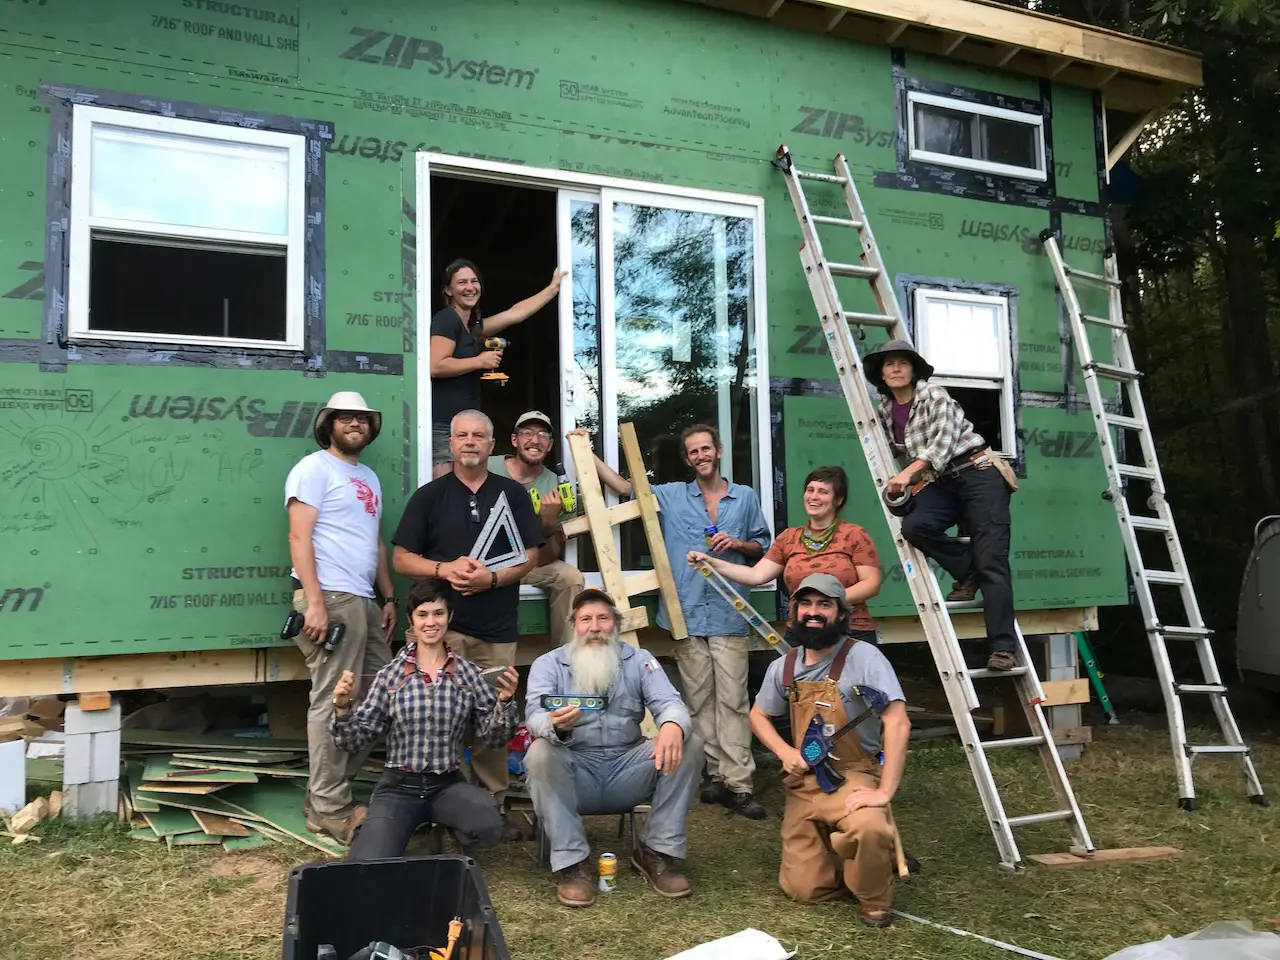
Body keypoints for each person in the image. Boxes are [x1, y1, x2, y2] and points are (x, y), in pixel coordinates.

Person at [577, 424, 771, 820]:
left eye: (706, 449)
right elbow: (624, 487)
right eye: (693, 452)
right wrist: (587, 450)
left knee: (733, 700)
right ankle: (713, 774)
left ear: (717, 452)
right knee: (697, 701)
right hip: (686, 612)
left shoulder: (745, 497)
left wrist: (736, 544)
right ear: (688, 459)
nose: (700, 456)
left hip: (729, 611)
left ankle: (739, 783)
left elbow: (762, 547)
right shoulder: (672, 494)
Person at [391, 409, 545, 830]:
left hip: (497, 629)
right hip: (443, 633)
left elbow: (531, 555)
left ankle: (491, 808)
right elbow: (401, 559)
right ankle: (441, 805)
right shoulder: (429, 496)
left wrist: (493, 578)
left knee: (494, 721)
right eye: (462, 435)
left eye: (479, 435)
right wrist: (445, 570)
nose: (470, 442)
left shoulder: (512, 494)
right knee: (438, 719)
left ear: (492, 445)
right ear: (452, 444)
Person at [749, 574, 911, 928]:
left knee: (868, 825)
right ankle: (853, 854)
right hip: (805, 780)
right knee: (804, 889)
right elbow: (758, 715)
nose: (813, 612)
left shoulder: (865, 657)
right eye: (806, 604)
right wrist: (784, 752)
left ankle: (873, 896)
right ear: (794, 612)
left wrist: (883, 792)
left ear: (841, 613)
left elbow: (898, 722)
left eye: (825, 604)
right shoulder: (785, 666)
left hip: (851, 773)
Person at [524, 588, 702, 908]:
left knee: (690, 742)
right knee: (539, 752)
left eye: (603, 618)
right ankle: (573, 864)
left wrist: (672, 726)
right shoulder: (548, 664)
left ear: (615, 624)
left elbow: (670, 703)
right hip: (575, 769)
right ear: (574, 625)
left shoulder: (640, 660)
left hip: (628, 767)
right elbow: (534, 716)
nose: (594, 627)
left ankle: (655, 852)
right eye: (586, 619)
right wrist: (555, 726)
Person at [332, 579, 520, 860]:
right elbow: (353, 740)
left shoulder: (469, 674)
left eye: (438, 614)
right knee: (369, 860)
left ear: (449, 617)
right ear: (412, 620)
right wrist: (343, 709)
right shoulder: (390, 676)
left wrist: (504, 702)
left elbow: (493, 738)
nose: (431, 622)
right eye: (422, 615)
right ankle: (370, 827)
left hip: (447, 784)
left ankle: (445, 828)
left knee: (490, 826)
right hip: (399, 785)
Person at [864, 339, 1020, 671]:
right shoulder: (885, 411)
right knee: (915, 526)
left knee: (993, 561)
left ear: (913, 370)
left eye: (902, 363)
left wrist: (906, 475)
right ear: (880, 373)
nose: (895, 368)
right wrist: (907, 483)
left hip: (978, 473)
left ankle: (1004, 648)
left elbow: (943, 443)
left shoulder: (934, 395)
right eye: (888, 364)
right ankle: (968, 570)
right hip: (943, 481)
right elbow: (897, 452)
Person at [284, 391, 396, 842]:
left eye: (362, 418)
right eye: (345, 417)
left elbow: (376, 542)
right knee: (334, 701)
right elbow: (298, 536)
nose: (355, 423)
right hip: (330, 598)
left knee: (377, 700)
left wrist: (388, 597)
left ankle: (323, 794)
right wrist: (313, 601)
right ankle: (330, 810)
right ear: (329, 424)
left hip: (364, 600)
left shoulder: (367, 475)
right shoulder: (314, 468)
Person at [689, 465, 882, 643]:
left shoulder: (854, 535)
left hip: (849, 630)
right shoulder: (789, 538)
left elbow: (871, 584)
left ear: (838, 500)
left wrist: (826, 604)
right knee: (791, 680)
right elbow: (756, 575)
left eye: (823, 492)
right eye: (810, 490)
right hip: (803, 631)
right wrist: (711, 562)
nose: (813, 496)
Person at [429, 259, 566, 475]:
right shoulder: (447, 319)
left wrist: (552, 289)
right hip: (444, 427)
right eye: (461, 282)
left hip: (463, 427)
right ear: (448, 290)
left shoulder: (470, 328)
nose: (469, 287)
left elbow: (514, 314)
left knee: (461, 494)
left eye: (474, 281)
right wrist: (480, 361)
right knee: (445, 496)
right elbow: (435, 365)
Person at [487, 411, 585, 645]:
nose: (535, 440)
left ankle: (566, 661)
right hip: (483, 560)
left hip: (528, 562)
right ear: (514, 440)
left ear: (550, 445)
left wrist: (548, 523)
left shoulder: (557, 486)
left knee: (570, 577)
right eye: (527, 433)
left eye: (542, 434)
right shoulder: (488, 466)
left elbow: (547, 558)